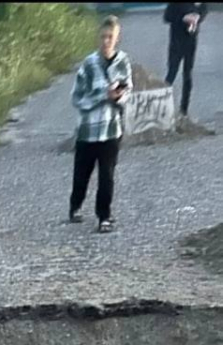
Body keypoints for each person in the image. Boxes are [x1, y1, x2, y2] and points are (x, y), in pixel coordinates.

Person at [69, 16, 132, 234]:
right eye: (103, 37)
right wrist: (103, 95)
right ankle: (75, 205)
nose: (106, 41)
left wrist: (118, 97)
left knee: (107, 175)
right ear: (98, 37)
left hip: (111, 129)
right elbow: (77, 98)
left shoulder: (123, 61)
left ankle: (104, 216)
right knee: (82, 175)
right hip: (88, 130)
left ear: (117, 38)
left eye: (110, 37)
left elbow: (128, 91)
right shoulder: (89, 64)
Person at [165, 2, 208, 117]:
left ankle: (184, 110)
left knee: (188, 75)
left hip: (191, 42)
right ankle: (161, 104)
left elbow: (204, 10)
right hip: (176, 42)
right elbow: (167, 16)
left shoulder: (200, 4)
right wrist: (183, 18)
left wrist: (198, 17)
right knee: (172, 73)